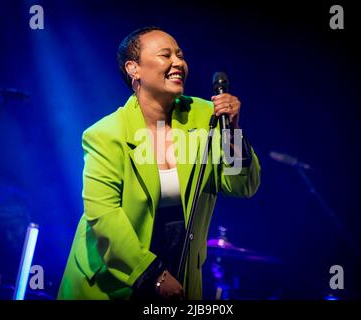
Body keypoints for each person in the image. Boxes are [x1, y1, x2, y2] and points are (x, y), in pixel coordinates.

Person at [58, 26, 261, 300]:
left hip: (179, 278)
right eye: (166, 55)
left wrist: (232, 133)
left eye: (180, 55)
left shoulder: (206, 117)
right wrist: (152, 274)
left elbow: (242, 185)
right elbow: (105, 217)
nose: (178, 62)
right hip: (111, 282)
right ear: (134, 69)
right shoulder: (105, 135)